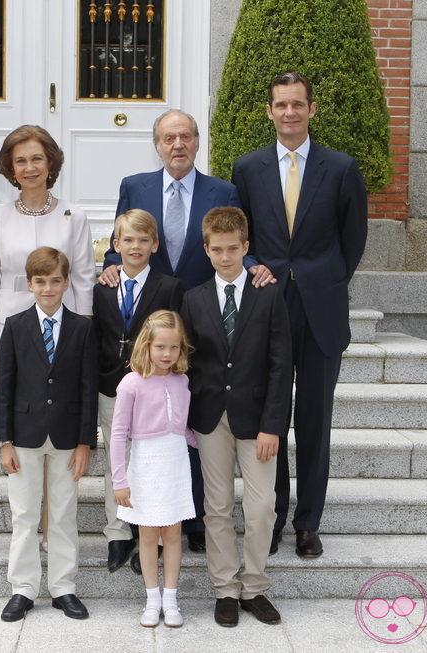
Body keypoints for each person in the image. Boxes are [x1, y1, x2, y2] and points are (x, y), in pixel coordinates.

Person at [98, 109, 274, 557]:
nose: (178, 144)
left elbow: (229, 241)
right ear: (157, 144)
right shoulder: (134, 186)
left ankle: (193, 518)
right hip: (150, 322)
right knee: (153, 427)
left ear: (197, 142)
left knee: (194, 420)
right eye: (169, 137)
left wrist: (255, 271)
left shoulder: (223, 189)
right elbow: (121, 239)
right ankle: (140, 520)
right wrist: (110, 272)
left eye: (186, 137)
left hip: (203, 318)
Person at [231, 72, 368, 559]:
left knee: (314, 418)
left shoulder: (341, 168)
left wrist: (323, 280)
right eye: (280, 105)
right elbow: (241, 236)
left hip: (320, 311)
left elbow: (352, 242)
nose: (289, 112)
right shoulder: (248, 169)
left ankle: (308, 522)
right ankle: (270, 518)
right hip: (268, 308)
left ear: (312, 110)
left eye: (297, 104)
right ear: (269, 112)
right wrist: (254, 268)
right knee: (272, 415)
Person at [0, 124, 94, 550]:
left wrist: (82, 342)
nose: (29, 167)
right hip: (13, 333)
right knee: (25, 430)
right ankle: (28, 524)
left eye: (37, 159)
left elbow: (82, 280)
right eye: (20, 160)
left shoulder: (74, 217)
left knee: (59, 422)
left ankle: (53, 524)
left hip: (64, 336)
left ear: (51, 164)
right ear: (10, 167)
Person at [180, 207, 292, 628]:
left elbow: (282, 364)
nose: (225, 257)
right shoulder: (193, 299)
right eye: (217, 249)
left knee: (262, 506)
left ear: (246, 248)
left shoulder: (269, 294)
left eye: (233, 249)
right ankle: (225, 589)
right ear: (206, 250)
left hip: (258, 418)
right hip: (210, 418)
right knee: (218, 506)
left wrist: (273, 425)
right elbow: (188, 363)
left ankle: (254, 586)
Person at [0, 247, 98, 623]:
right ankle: (22, 589)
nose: (49, 288)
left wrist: (86, 441)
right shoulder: (16, 325)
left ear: (67, 283)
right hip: (24, 435)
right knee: (24, 514)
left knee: (63, 513)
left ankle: (63, 587)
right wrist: (4, 440)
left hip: (68, 437)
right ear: (29, 284)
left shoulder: (84, 328)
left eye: (56, 281)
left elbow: (88, 387)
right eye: (41, 281)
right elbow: (4, 387)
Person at [94, 209, 184, 573]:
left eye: (143, 240)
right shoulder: (102, 287)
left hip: (151, 388)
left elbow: (176, 342)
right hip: (110, 385)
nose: (135, 246)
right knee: (116, 459)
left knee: (151, 461)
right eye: (127, 240)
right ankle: (118, 533)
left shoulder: (169, 287)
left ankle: (153, 533)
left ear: (154, 245)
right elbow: (98, 336)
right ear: (116, 245)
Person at [109, 310, 196, 627]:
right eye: (160, 347)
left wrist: (203, 443)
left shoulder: (182, 380)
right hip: (145, 465)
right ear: (146, 345)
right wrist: (120, 479)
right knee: (147, 536)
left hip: (175, 463)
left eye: (174, 348)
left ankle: (171, 599)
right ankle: (151, 599)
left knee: (173, 534)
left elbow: (181, 426)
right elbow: (118, 434)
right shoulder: (131, 383)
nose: (167, 354)